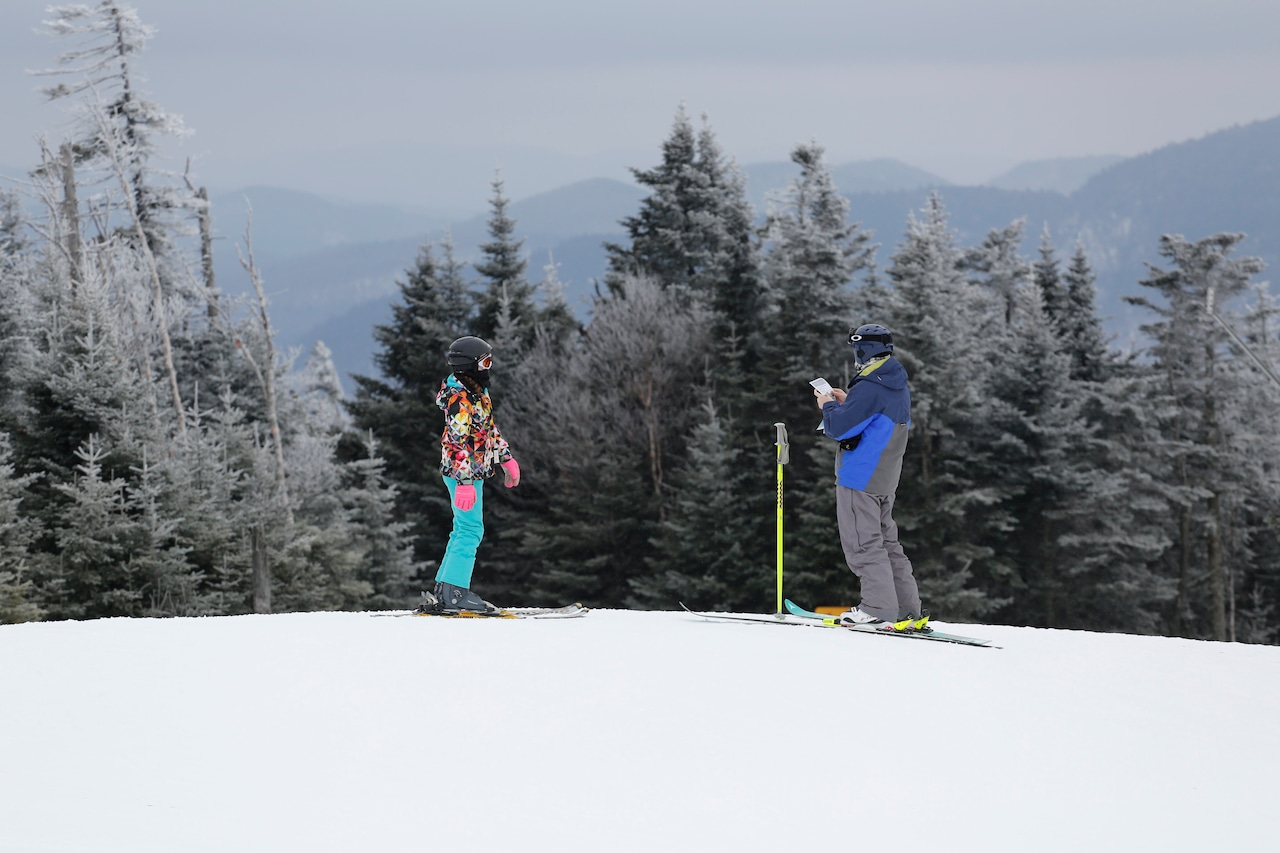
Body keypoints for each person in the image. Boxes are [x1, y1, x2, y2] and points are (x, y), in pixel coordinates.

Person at [814, 323, 927, 632]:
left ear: (862, 349)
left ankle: (877, 608)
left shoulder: (870, 386)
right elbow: (874, 420)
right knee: (888, 543)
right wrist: (849, 400)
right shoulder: (895, 383)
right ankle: (908, 610)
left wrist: (828, 407)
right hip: (885, 477)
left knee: (864, 545)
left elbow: (840, 429)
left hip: (859, 477)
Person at [429, 335, 521, 613]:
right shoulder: (460, 399)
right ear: (470, 365)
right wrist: (465, 481)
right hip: (463, 474)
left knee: (462, 529)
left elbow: (487, 431)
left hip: (471, 471)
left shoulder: (477, 392)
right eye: (485, 362)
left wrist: (506, 458)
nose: (489, 367)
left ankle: (445, 589)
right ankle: (455, 593)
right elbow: (455, 442)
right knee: (470, 530)